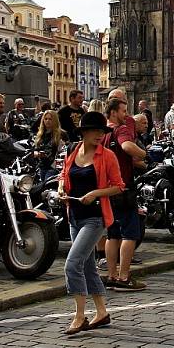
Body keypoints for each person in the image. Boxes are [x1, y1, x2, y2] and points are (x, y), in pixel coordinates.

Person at [59, 111, 124, 335]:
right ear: (84, 132)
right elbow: (64, 176)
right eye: (96, 131)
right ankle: (101, 312)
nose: (100, 135)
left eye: (102, 132)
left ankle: (79, 315)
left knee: (72, 264)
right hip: (74, 215)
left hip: (95, 218)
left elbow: (119, 186)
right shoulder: (72, 151)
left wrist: (96, 192)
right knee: (87, 266)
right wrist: (61, 189)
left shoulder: (107, 156)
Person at [103, 98, 147, 291]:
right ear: (113, 112)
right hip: (122, 186)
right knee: (130, 233)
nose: (126, 115)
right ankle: (123, 277)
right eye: (123, 110)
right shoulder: (119, 129)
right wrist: (143, 153)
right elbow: (127, 147)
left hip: (107, 188)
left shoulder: (102, 132)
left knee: (112, 235)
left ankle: (111, 275)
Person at [34, 110, 63, 182]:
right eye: (46, 119)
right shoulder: (40, 134)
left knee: (47, 186)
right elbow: (35, 148)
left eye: (50, 119)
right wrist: (36, 153)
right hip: (42, 166)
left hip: (53, 167)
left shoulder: (60, 134)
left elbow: (64, 150)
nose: (47, 121)